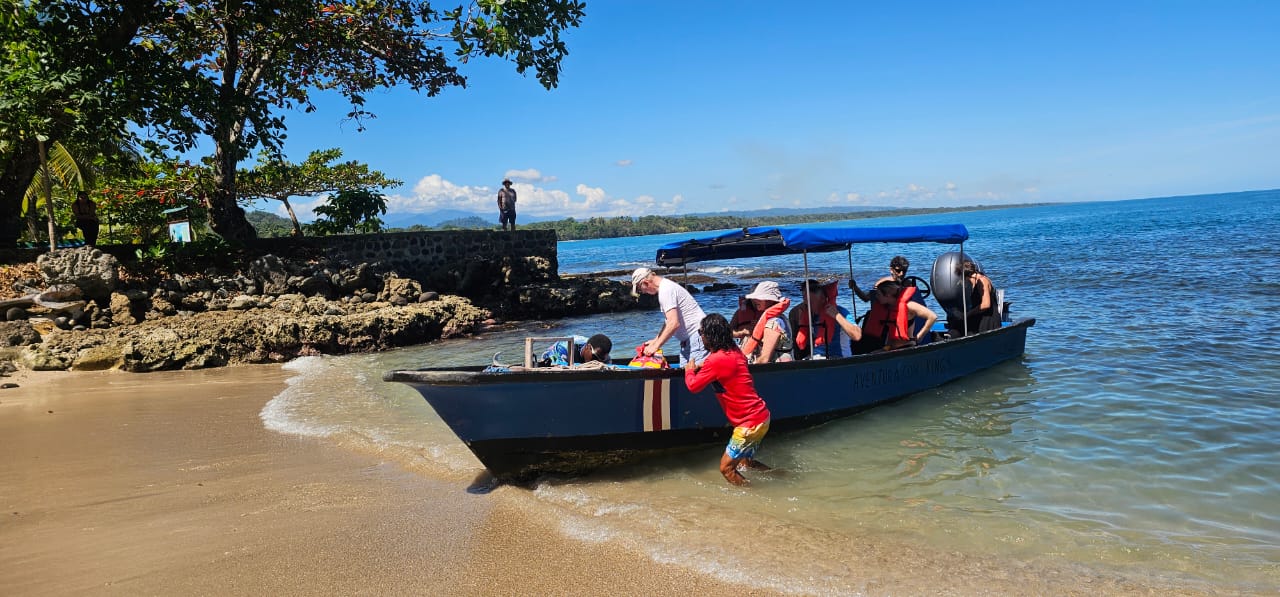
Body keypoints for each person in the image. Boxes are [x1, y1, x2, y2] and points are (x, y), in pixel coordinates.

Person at [683, 313, 771, 486]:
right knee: (746, 463)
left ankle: (755, 498)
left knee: (726, 469)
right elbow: (722, 367)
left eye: (702, 332)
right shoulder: (734, 351)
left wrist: (689, 370)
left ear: (710, 336)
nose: (700, 336)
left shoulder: (716, 361)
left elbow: (693, 386)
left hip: (749, 424)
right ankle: (782, 476)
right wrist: (703, 365)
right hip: (762, 417)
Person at [631, 267, 707, 366]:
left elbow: (674, 323)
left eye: (640, 289)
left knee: (696, 377)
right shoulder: (665, 288)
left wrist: (656, 346)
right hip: (689, 340)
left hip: (697, 338)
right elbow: (668, 321)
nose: (643, 292)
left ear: (645, 282)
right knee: (686, 374)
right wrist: (656, 340)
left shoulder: (666, 290)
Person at [789, 279, 862, 360]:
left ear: (823, 298)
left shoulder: (840, 312)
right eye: (805, 299)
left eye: (810, 301)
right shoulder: (808, 314)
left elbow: (857, 335)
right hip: (816, 357)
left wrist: (837, 316)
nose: (806, 304)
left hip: (839, 359)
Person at [856, 280, 938, 352]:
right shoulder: (887, 308)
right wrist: (885, 349)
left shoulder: (909, 306)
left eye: (878, 294)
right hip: (890, 348)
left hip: (907, 348)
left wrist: (919, 336)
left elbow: (932, 317)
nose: (876, 297)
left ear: (887, 295)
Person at [737, 281, 793, 364]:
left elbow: (764, 359)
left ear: (770, 300)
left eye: (760, 298)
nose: (755, 300)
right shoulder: (780, 318)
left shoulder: (773, 323)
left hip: (776, 372)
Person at [947, 259, 1000, 336]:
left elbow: (986, 304)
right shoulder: (973, 281)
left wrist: (968, 314)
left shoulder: (982, 281)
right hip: (979, 316)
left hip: (988, 319)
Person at [538, 334, 612, 367]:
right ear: (588, 348)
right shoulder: (565, 348)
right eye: (595, 357)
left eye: (601, 359)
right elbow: (558, 366)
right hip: (552, 358)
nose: (597, 362)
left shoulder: (603, 355)